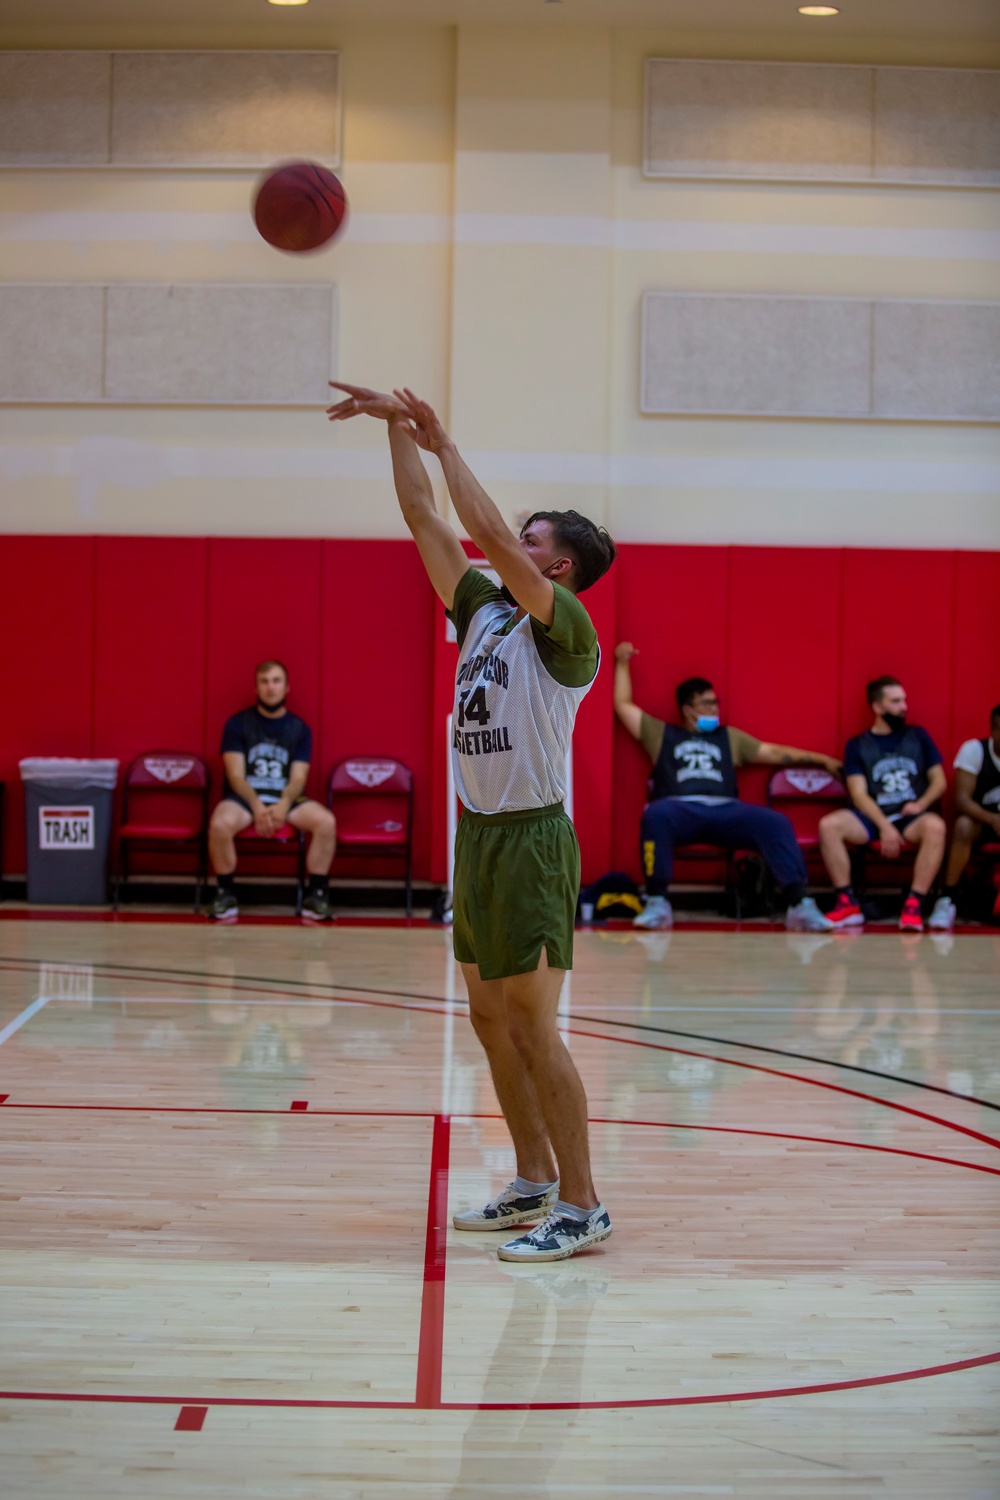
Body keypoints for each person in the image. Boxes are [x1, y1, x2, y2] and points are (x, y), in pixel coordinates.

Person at [327, 380, 616, 1263]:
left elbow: (483, 529)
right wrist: (397, 432)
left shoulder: (567, 631)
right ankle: (531, 1180)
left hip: (532, 837)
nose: (505, 548)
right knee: (489, 1021)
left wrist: (445, 437)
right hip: (478, 834)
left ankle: (584, 1202)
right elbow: (427, 521)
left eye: (530, 544)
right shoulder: (483, 615)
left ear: (556, 568)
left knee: (536, 1025)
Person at [613, 649, 841, 931]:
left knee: (775, 822)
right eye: (707, 704)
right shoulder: (662, 734)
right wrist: (622, 663)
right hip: (680, 809)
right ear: (687, 710)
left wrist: (822, 759)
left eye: (715, 702)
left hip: (726, 811)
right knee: (654, 815)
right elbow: (623, 705)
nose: (714, 709)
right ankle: (657, 902)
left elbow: (776, 753)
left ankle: (800, 904)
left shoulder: (729, 738)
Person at [817, 676, 949, 934]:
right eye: (896, 701)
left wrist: (920, 804)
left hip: (909, 815)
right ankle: (847, 903)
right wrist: (883, 827)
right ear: (877, 707)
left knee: (936, 827)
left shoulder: (918, 736)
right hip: (873, 816)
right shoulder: (857, 745)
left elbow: (940, 782)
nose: (904, 707)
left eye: (904, 700)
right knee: (829, 825)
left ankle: (914, 904)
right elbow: (858, 793)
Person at [208, 660, 336, 923]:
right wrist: (256, 805)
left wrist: (282, 804)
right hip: (245, 798)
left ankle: (317, 895)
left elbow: (299, 776)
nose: (270, 687)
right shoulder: (237, 724)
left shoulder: (300, 729)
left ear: (287, 687)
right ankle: (225, 892)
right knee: (220, 823)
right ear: (256, 687)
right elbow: (235, 775)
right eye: (264, 682)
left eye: (276, 681)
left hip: (285, 797)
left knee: (326, 822)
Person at [934, 704, 1000, 927]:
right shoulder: (974, 750)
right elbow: (962, 801)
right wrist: (993, 819)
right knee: (963, 825)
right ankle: (948, 898)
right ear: (994, 730)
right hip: (982, 822)